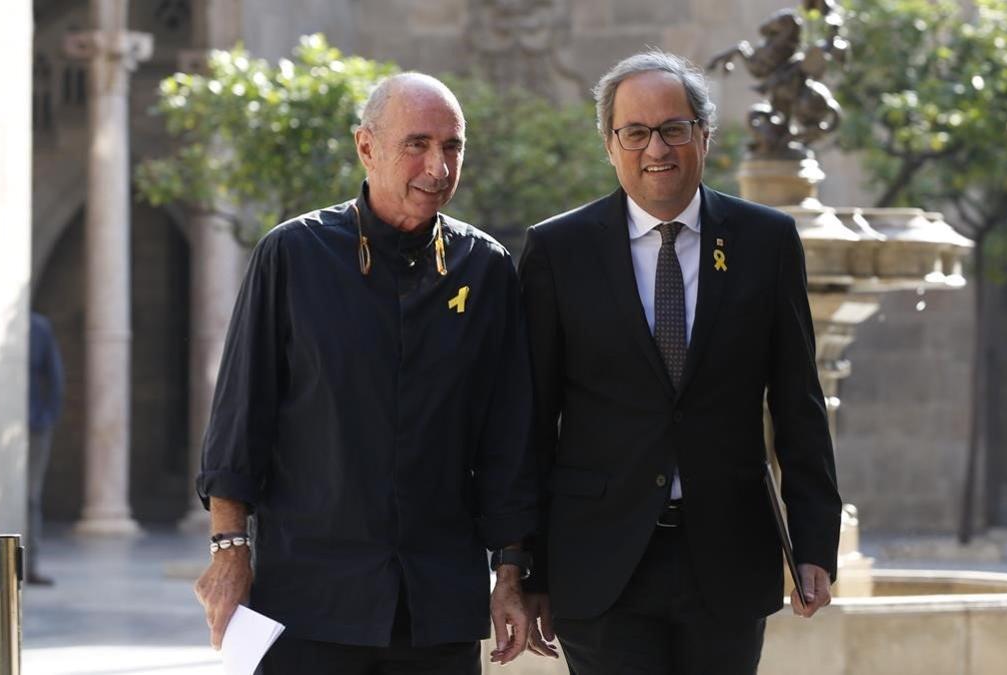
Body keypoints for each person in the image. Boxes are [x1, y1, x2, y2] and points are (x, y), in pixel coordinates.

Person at [193, 72, 538, 675]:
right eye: (418, 144)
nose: (438, 166)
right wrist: (229, 552)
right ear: (366, 146)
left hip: (438, 605)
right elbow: (241, 417)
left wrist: (510, 574)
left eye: (452, 147)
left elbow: (508, 437)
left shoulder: (486, 268)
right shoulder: (292, 255)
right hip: (309, 600)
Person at [518, 50, 842, 674]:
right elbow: (531, 421)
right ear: (609, 145)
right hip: (601, 560)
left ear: (704, 136)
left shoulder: (765, 242)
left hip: (727, 554)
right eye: (635, 132)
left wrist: (813, 544)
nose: (655, 148)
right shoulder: (559, 250)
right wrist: (522, 564)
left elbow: (798, 401)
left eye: (673, 129)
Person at [27, 312, 65, 586]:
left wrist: (45, 418)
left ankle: (28, 566)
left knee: (30, 498)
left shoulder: (38, 327)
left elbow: (55, 376)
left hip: (33, 427)